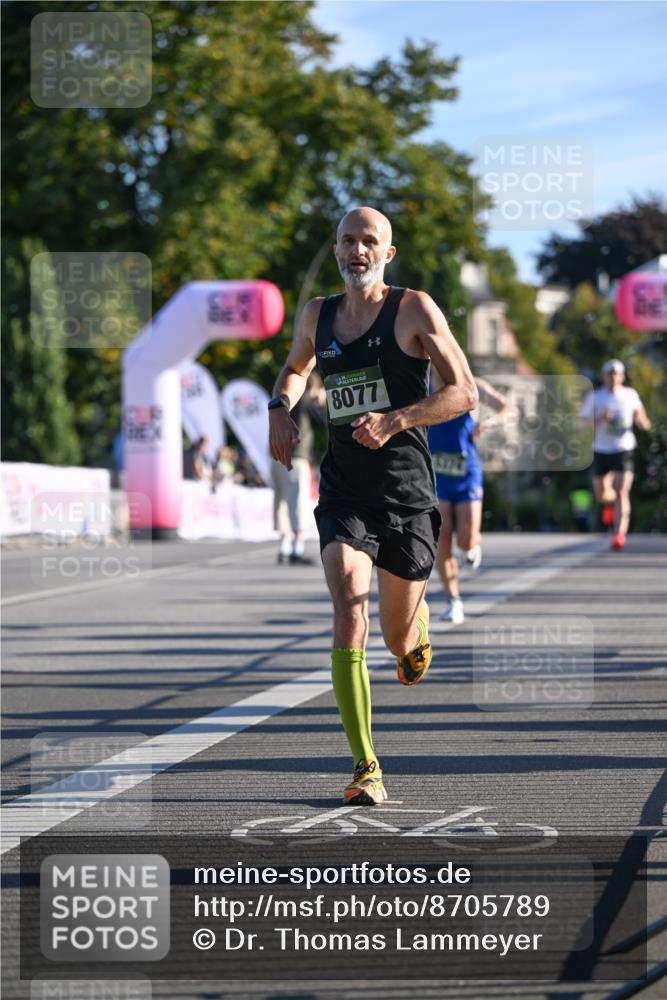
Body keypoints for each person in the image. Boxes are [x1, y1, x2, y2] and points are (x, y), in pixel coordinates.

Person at [269, 206, 477, 805]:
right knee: (348, 611)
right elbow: (294, 368)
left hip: (407, 495)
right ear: (336, 248)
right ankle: (367, 767)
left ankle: (415, 630)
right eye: (347, 240)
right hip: (344, 493)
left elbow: (463, 392)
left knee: (395, 640)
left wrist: (395, 420)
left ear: (387, 253)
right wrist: (279, 408)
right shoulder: (318, 314)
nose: (356, 250)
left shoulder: (413, 309)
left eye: (369, 241)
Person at [428, 376, 508, 624]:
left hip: (466, 472)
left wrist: (489, 422)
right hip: (436, 472)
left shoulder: (470, 383)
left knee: (466, 539)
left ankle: (471, 544)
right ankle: (454, 600)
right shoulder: (420, 381)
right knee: (441, 538)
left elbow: (506, 409)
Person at [579, 359, 651, 550]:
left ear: (622, 376)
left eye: (616, 373)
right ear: (603, 376)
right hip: (601, 449)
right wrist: (600, 418)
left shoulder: (630, 395)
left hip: (624, 448)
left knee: (621, 490)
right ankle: (611, 505)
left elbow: (641, 415)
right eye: (609, 373)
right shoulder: (595, 397)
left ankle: (619, 535)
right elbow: (581, 424)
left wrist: (643, 422)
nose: (612, 377)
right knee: (601, 494)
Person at [271, 372, 326, 565]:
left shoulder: (281, 400)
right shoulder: (306, 400)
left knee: (281, 501)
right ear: (313, 388)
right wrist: (319, 402)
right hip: (296, 458)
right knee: (298, 502)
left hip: (276, 456)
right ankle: (297, 548)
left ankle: (283, 546)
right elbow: (323, 422)